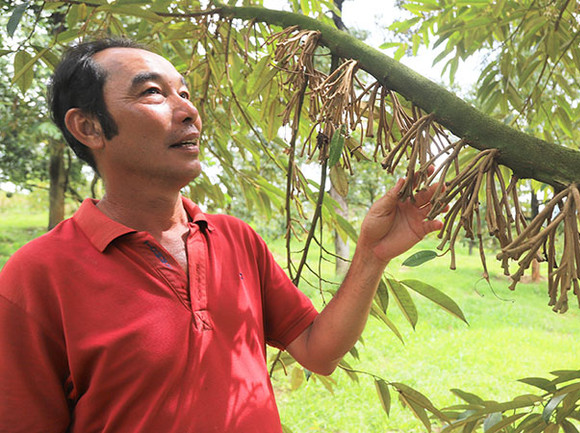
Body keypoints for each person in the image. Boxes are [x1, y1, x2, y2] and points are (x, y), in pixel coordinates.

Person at [0, 38, 443, 432]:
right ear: (89, 127)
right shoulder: (37, 276)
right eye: (153, 92)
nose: (189, 110)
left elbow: (317, 351)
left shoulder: (235, 238)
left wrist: (372, 255)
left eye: (186, 93)